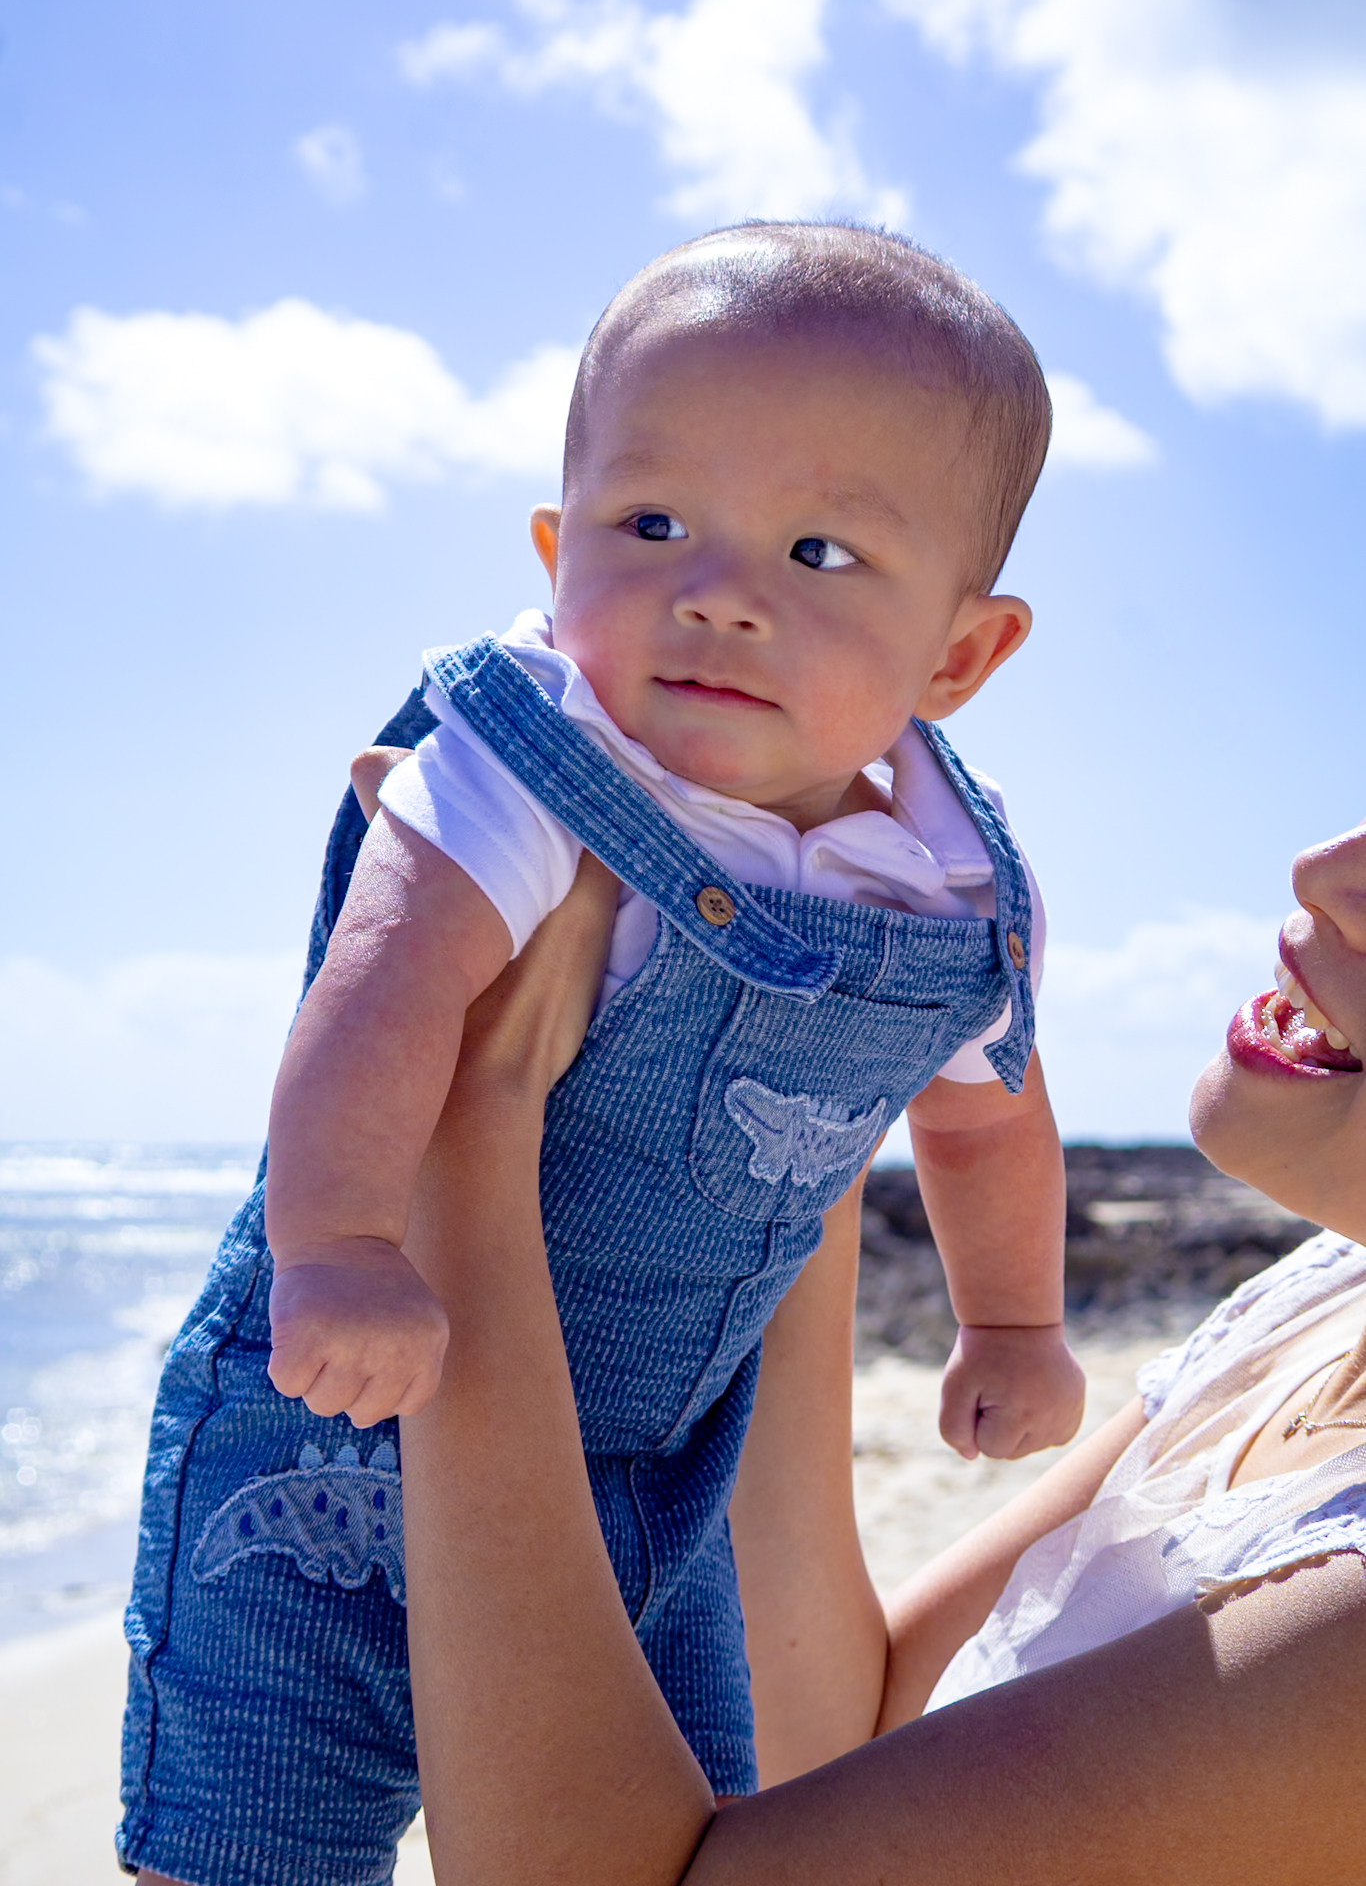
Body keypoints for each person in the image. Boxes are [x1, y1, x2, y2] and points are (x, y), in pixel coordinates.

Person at [121, 223, 1085, 1881]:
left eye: (822, 553)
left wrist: (1014, 1314)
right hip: (331, 1453)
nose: (718, 587)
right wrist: (338, 1245)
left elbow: (987, 1123)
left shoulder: (948, 887)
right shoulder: (529, 762)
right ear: (558, 550)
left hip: (657, 1481)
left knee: (682, 1837)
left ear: (959, 655)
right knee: (250, 1846)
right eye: (653, 525)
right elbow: (379, 996)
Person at [396, 812, 1366, 1883]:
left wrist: (459, 1093)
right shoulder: (1327, 1294)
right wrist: (813, 1103)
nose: (1324, 868)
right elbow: (846, 1723)